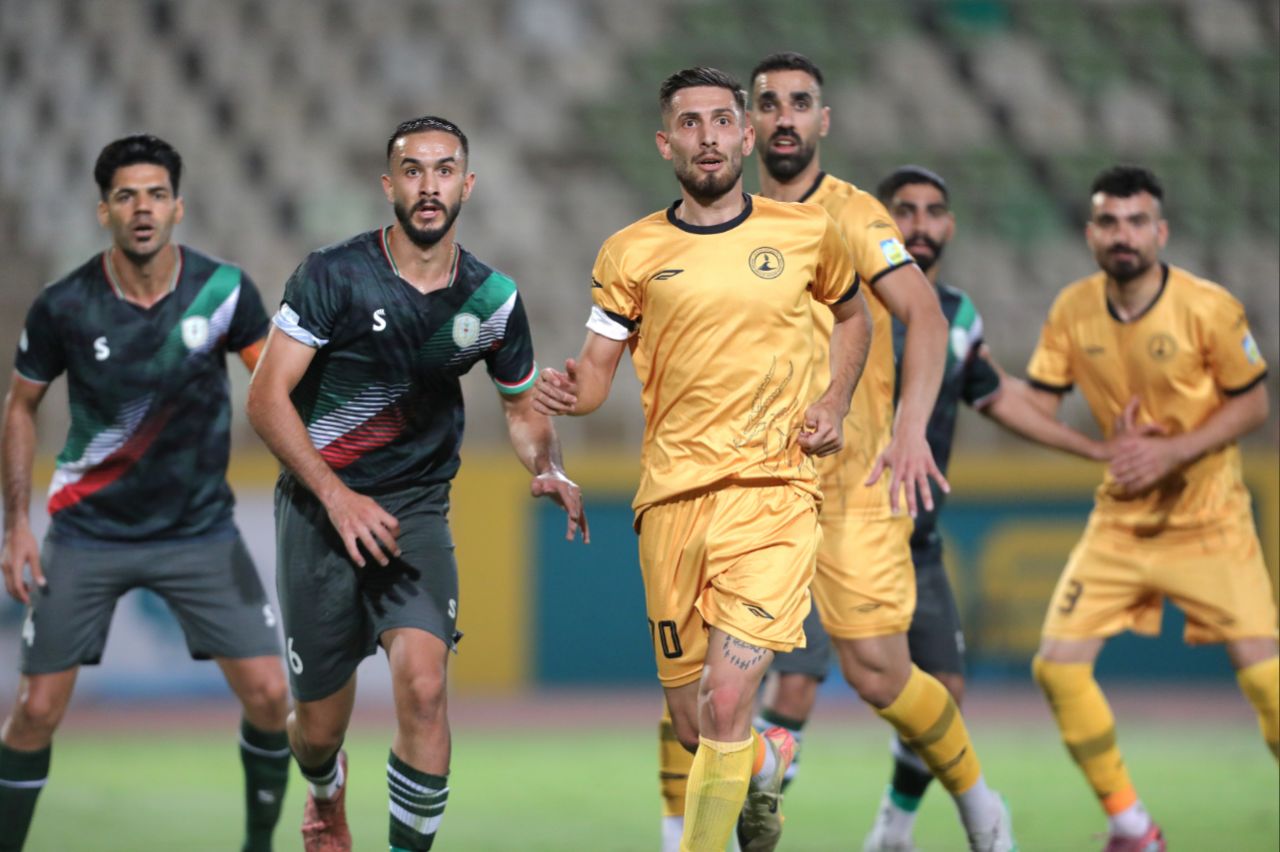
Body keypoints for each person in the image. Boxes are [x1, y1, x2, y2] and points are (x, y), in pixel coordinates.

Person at [658, 53, 1021, 852]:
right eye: (768, 104)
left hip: (852, 488)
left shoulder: (856, 216)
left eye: (801, 103)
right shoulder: (716, 223)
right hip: (752, 488)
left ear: (823, 121)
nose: (784, 117)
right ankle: (723, 794)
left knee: (879, 675)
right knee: (701, 699)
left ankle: (978, 803)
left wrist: (910, 428)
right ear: (746, 128)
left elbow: (926, 318)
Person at [533, 66, 873, 852]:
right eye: (690, 123)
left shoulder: (806, 233)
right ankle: (767, 758)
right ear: (665, 143)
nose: (708, 136)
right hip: (672, 503)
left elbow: (854, 318)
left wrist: (834, 402)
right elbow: (596, 374)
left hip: (773, 493)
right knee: (694, 726)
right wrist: (569, 394)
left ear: (746, 136)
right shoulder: (629, 252)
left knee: (725, 703)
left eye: (722, 120)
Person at [246, 115, 587, 852]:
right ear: (389, 185)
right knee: (318, 730)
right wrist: (338, 498)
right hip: (319, 511)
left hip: (414, 513)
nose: (429, 186)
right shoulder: (332, 275)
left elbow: (522, 409)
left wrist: (547, 465)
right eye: (413, 170)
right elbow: (266, 399)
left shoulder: (491, 300)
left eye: (443, 170)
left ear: (467, 185)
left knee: (426, 688)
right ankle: (325, 788)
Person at [0, 134, 290, 852]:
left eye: (156, 195)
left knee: (270, 696)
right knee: (35, 711)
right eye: (126, 196)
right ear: (104, 211)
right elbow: (20, 407)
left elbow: (275, 390)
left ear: (177, 207)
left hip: (199, 532)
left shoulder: (223, 292)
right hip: (86, 532)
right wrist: (16, 525)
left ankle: (258, 846)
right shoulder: (65, 305)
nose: (142, 209)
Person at [1023, 165, 1277, 852]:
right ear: (1090, 234)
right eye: (1109, 222)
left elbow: (1254, 402)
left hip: (1210, 521)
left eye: (1137, 222)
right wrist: (980, 379)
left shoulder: (1208, 307)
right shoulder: (1072, 310)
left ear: (1161, 233)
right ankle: (1132, 827)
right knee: (1056, 667)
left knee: (1268, 684)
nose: (1123, 235)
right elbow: (1035, 407)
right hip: (1121, 524)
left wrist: (1173, 452)